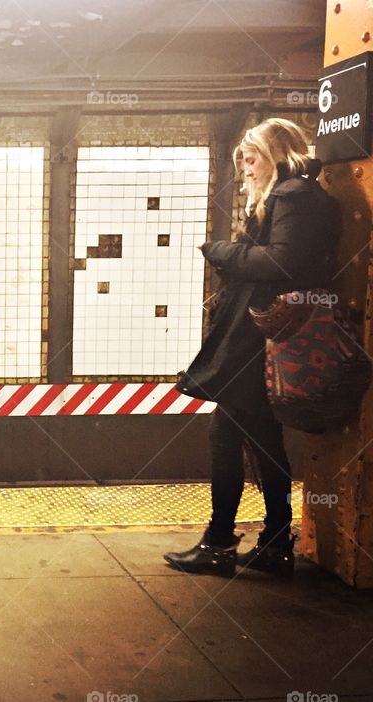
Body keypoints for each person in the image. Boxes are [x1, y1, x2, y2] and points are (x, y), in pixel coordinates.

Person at [165, 117, 341, 577]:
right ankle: (272, 542)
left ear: (277, 155)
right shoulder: (298, 195)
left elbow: (282, 263)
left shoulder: (293, 196)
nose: (245, 167)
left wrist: (221, 251)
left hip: (257, 344)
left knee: (234, 439)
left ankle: (225, 543)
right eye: (242, 158)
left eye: (252, 157)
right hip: (262, 341)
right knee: (254, 442)